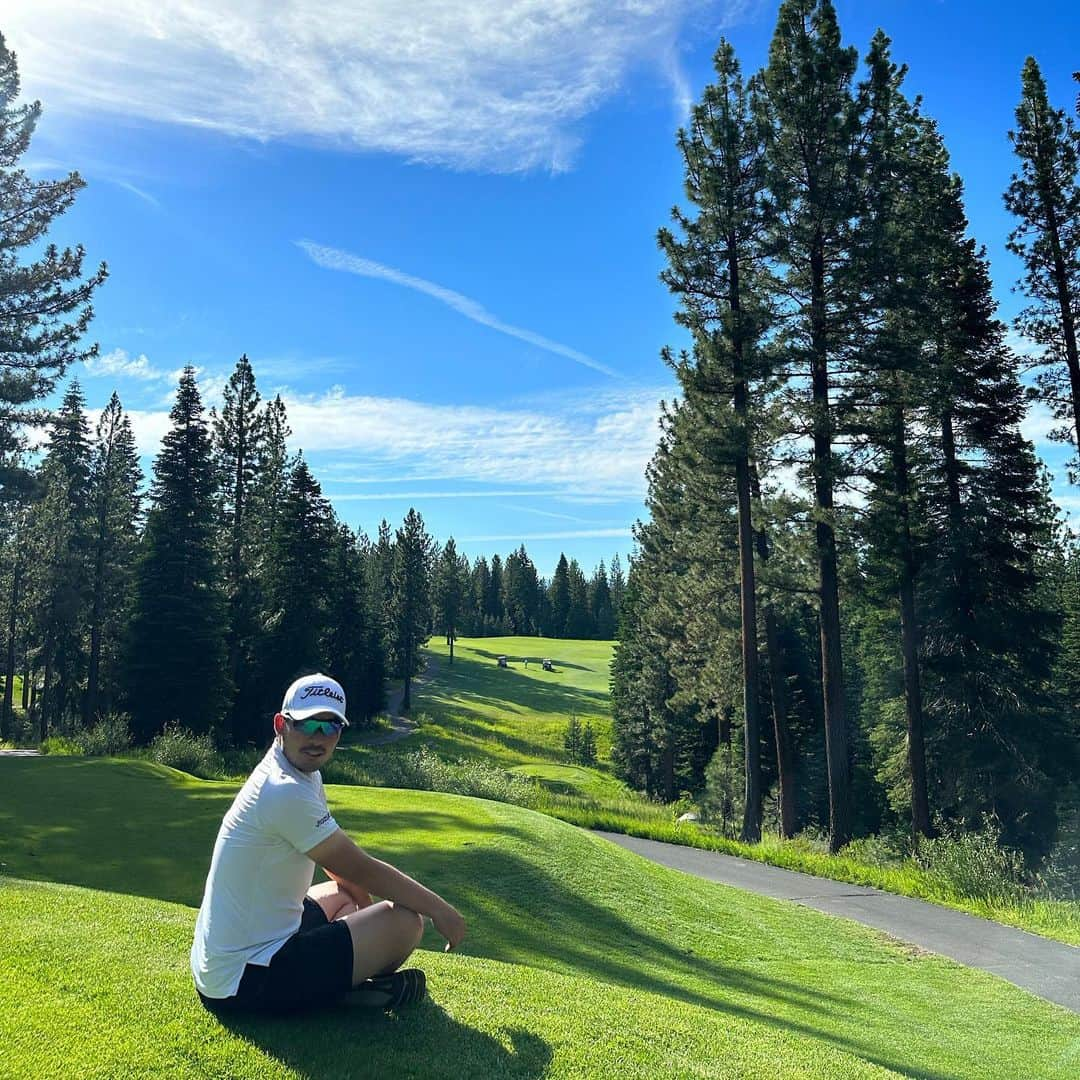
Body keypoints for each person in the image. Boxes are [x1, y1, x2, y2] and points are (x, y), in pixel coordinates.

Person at [190, 672, 466, 1014]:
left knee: (344, 895)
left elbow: (336, 865)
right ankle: (343, 994)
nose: (317, 739)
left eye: (330, 727)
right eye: (307, 725)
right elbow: (361, 867)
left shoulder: (300, 773)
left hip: (230, 964)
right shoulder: (283, 789)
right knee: (408, 921)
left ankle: (337, 985)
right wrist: (439, 910)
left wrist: (363, 922)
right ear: (281, 724)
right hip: (242, 983)